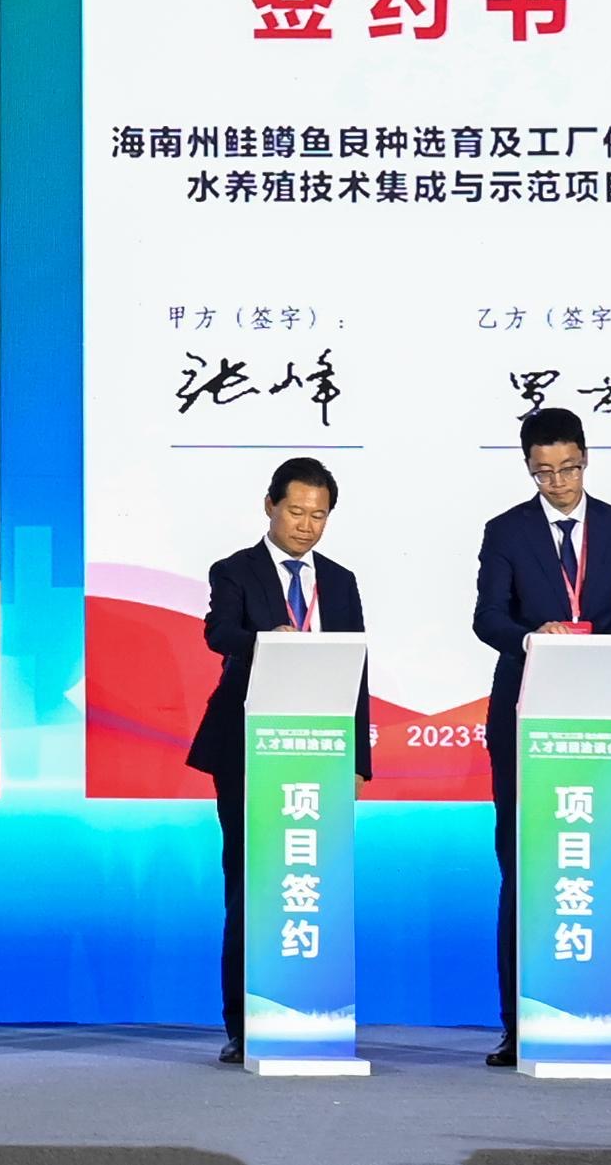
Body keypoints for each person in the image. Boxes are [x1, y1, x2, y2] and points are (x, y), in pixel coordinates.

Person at [472, 407, 611, 1068]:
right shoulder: (506, 531)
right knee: (524, 866)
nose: (558, 482)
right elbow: (486, 617)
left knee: (585, 862)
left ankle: (588, 1014)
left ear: (585, 458)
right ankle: (518, 1026)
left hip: (597, 716)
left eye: (568, 468)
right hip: (524, 712)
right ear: (528, 467)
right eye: (544, 472)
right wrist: (532, 636)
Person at [189, 454, 372, 1066]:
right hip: (246, 749)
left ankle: (309, 1011)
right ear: (270, 506)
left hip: (318, 757)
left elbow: (357, 668)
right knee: (251, 882)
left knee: (310, 882)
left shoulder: (340, 581)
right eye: (296, 511)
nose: (306, 525)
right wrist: (271, 640)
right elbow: (219, 633)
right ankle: (244, 1025)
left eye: (318, 515)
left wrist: (358, 758)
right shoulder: (235, 570)